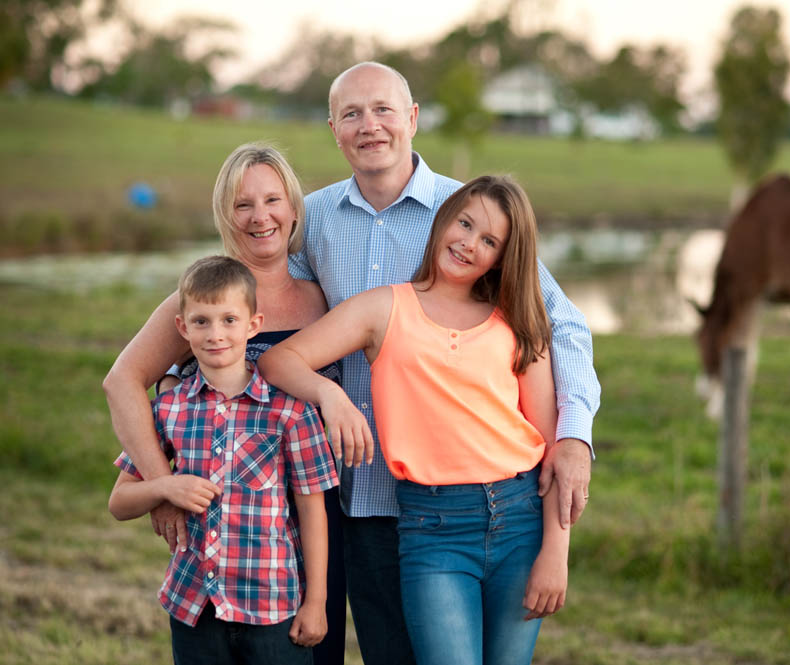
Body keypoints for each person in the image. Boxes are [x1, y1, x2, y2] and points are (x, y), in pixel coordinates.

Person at [286, 61, 601, 664]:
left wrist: (575, 438)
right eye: (351, 113)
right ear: (333, 128)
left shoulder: (469, 214)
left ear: (412, 119)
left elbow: (558, 324)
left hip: (490, 497)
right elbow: (276, 317)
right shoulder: (313, 219)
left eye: (383, 110)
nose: (369, 125)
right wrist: (191, 368)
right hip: (360, 493)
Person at [261, 175, 569, 665]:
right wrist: (330, 394)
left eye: (489, 240)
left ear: (503, 256)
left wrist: (556, 552)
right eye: (465, 224)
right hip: (433, 528)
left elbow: (554, 450)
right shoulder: (384, 308)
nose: (469, 244)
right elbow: (279, 360)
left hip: (520, 521)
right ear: (443, 219)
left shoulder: (518, 319)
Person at [102, 143, 348, 664]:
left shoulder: (323, 297)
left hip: (313, 509)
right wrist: (161, 486)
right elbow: (122, 381)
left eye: (272, 200)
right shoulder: (208, 297)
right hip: (229, 520)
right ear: (225, 214)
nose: (260, 216)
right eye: (242, 205)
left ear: (294, 208)